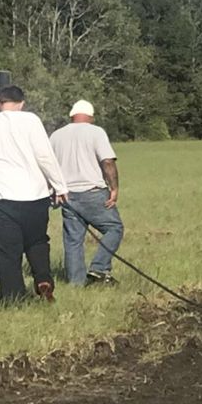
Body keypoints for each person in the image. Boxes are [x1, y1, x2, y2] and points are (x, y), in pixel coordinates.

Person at [0, 84, 69, 303]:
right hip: (35, 195)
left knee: (7, 251)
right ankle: (43, 279)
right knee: (37, 240)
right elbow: (45, 157)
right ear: (22, 103)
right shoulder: (32, 121)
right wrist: (59, 187)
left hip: (2, 198)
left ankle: (13, 297)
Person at [50, 99, 125, 286]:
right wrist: (114, 188)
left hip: (66, 194)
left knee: (73, 240)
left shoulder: (56, 136)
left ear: (72, 116)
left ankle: (76, 283)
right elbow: (107, 161)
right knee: (114, 228)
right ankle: (99, 268)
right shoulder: (96, 132)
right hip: (92, 191)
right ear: (91, 117)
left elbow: (48, 165)